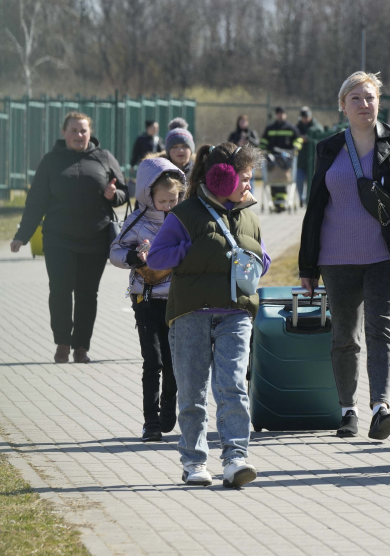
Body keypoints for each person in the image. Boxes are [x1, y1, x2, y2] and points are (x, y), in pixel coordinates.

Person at [298, 71, 390, 440]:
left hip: (387, 255)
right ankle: (348, 410)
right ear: (342, 106)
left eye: (370, 97)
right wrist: (307, 266)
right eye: (355, 98)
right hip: (336, 258)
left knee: (382, 330)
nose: (364, 104)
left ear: (379, 102)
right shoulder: (328, 148)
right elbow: (314, 208)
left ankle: (380, 408)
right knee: (345, 335)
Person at [146, 142, 269, 488]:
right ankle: (194, 462)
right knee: (193, 392)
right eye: (244, 178)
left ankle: (235, 459)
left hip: (236, 314)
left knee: (233, 386)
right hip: (191, 313)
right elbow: (156, 259)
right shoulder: (184, 215)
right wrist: (194, 250)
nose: (249, 185)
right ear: (221, 178)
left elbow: (264, 258)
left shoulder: (250, 216)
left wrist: (257, 260)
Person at [10, 112, 128, 364]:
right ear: (64, 133)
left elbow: (124, 193)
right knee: (60, 291)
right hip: (58, 239)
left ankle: (81, 348)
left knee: (87, 294)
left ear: (90, 133)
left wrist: (112, 195)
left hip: (95, 239)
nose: (79, 135)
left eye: (83, 130)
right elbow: (36, 202)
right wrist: (22, 236)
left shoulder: (104, 157)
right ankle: (62, 344)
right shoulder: (51, 161)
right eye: (73, 130)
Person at [110, 158, 186, 442]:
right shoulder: (136, 221)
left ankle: (169, 406)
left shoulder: (184, 219)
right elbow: (115, 251)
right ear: (148, 195)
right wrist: (130, 258)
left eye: (173, 199)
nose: (168, 205)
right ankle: (151, 422)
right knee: (152, 360)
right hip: (145, 299)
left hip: (178, 302)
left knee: (173, 361)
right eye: (162, 200)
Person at [295, 107, 324, 207]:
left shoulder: (315, 126)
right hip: (300, 160)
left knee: (311, 182)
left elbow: (319, 131)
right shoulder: (298, 126)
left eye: (307, 117)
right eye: (303, 117)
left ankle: (310, 199)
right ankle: (301, 198)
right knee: (298, 180)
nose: (305, 119)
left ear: (310, 116)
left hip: (313, 160)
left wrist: (308, 137)